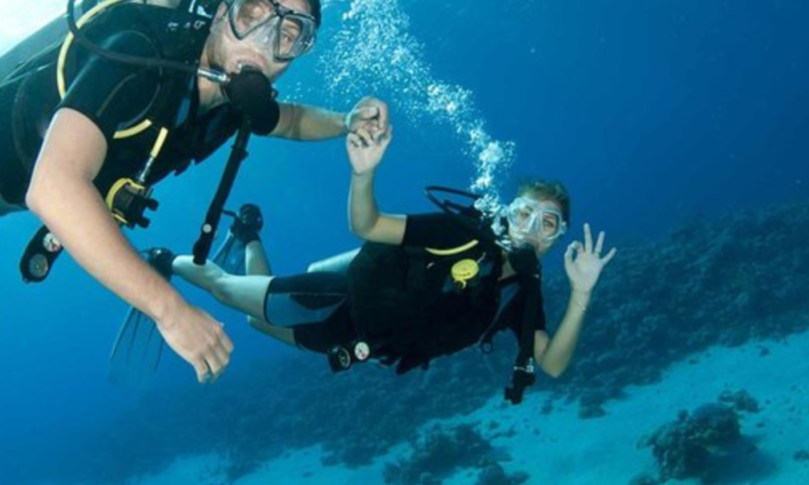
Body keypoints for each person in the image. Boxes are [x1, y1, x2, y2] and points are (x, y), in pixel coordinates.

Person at [0, 0, 388, 385]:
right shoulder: (141, 54)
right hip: (15, 130)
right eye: (254, 14)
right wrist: (167, 310)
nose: (263, 44)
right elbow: (55, 188)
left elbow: (289, 120)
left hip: (68, 174)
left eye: (291, 35)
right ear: (220, 9)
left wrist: (346, 120)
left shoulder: (236, 95)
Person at [169, 119, 616, 404]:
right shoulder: (459, 234)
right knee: (227, 290)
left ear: (558, 239)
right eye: (524, 214)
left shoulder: (520, 293)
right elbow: (368, 225)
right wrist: (364, 173)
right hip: (333, 301)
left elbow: (553, 364)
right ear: (505, 213)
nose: (532, 230)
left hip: (355, 344)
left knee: (254, 322)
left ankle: (247, 235)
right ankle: (166, 261)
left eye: (549, 224)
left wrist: (581, 294)